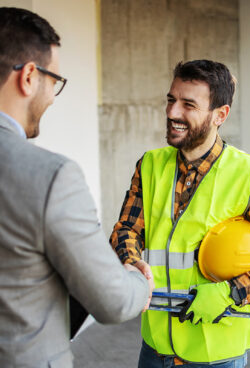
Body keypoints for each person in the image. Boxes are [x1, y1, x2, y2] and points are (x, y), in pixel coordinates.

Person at [0, 7, 153, 368]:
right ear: (30, 77)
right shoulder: (50, 176)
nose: (53, 96)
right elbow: (112, 300)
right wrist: (136, 281)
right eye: (55, 81)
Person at [110, 59, 250, 367]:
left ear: (219, 115)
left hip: (217, 356)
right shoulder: (150, 165)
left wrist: (232, 292)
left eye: (188, 105)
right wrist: (131, 262)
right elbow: (126, 229)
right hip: (155, 348)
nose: (172, 113)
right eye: (171, 100)